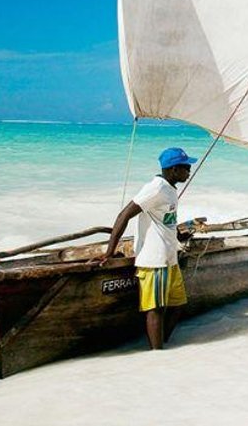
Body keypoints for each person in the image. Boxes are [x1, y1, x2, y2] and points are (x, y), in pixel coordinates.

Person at [95, 147, 197, 350]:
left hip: (170, 257)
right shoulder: (156, 188)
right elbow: (124, 215)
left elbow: (165, 220)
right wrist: (109, 252)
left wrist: (178, 234)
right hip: (155, 259)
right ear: (174, 169)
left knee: (177, 305)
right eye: (186, 168)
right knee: (156, 309)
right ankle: (156, 353)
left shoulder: (169, 189)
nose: (189, 172)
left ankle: (164, 344)